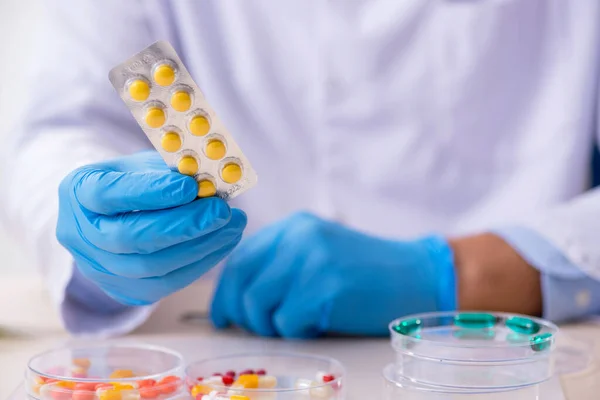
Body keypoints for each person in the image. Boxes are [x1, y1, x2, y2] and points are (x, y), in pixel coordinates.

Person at [3, 1, 600, 338]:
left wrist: (477, 270)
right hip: (213, 335)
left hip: (510, 342)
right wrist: (95, 231)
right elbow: (61, 124)